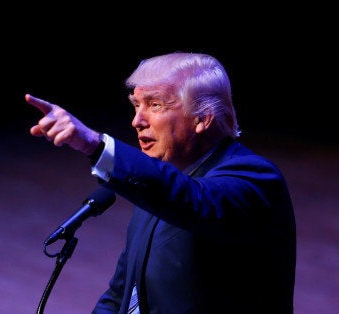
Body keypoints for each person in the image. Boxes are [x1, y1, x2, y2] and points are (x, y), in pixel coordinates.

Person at [25, 52, 296, 314]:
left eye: (155, 105)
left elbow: (193, 199)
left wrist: (95, 145)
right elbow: (122, 293)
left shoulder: (255, 178)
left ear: (203, 118)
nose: (137, 121)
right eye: (136, 105)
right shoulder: (156, 185)